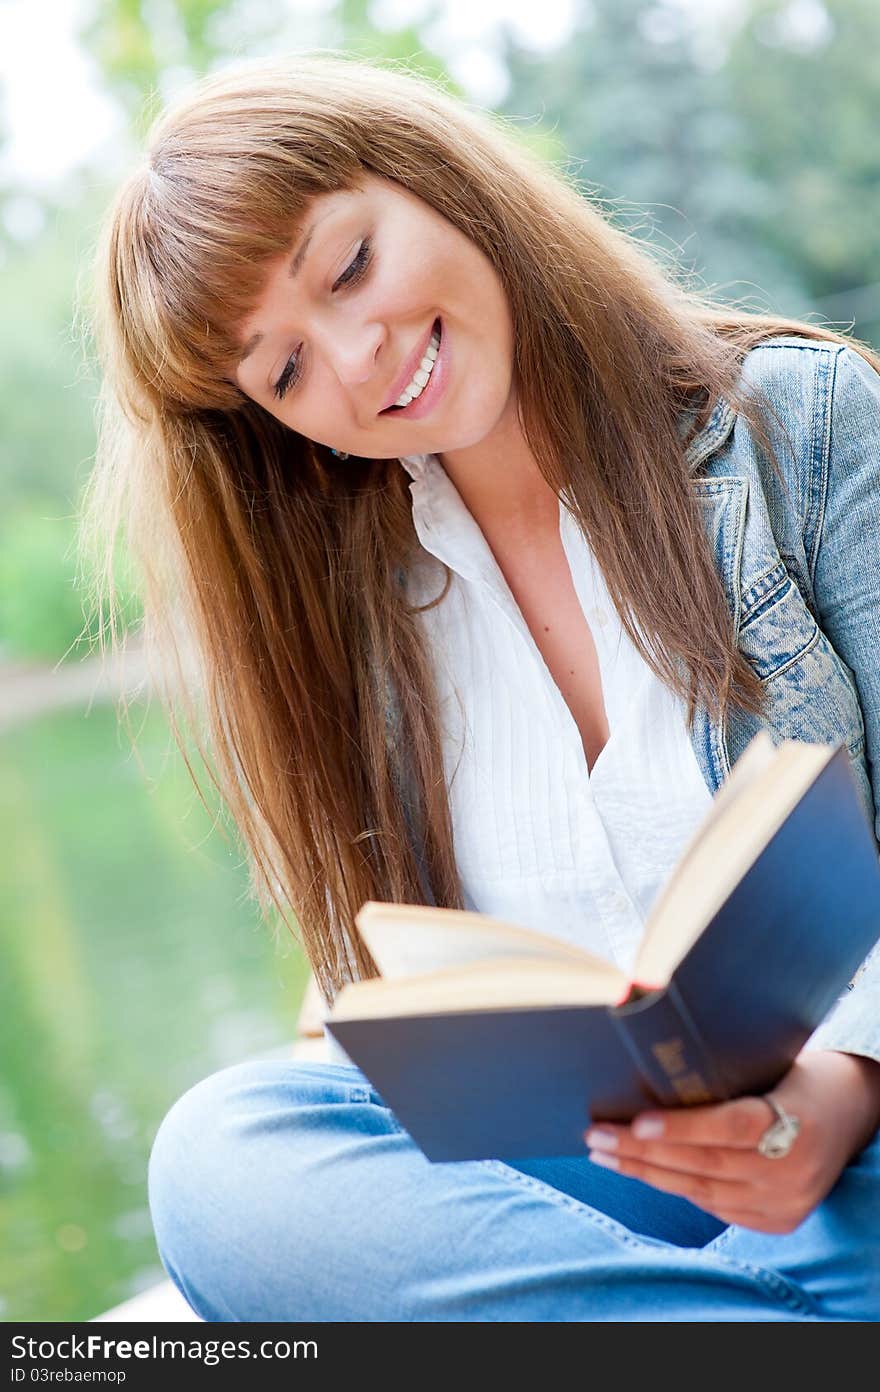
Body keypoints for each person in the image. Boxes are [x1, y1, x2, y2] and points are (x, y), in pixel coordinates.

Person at [80, 53, 880, 1321]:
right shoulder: (362, 611)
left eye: (347, 266)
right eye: (282, 373)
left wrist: (839, 1092)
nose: (353, 356)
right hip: (584, 1200)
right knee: (218, 1157)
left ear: (437, 181)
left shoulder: (801, 424)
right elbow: (374, 1001)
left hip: (850, 1155)